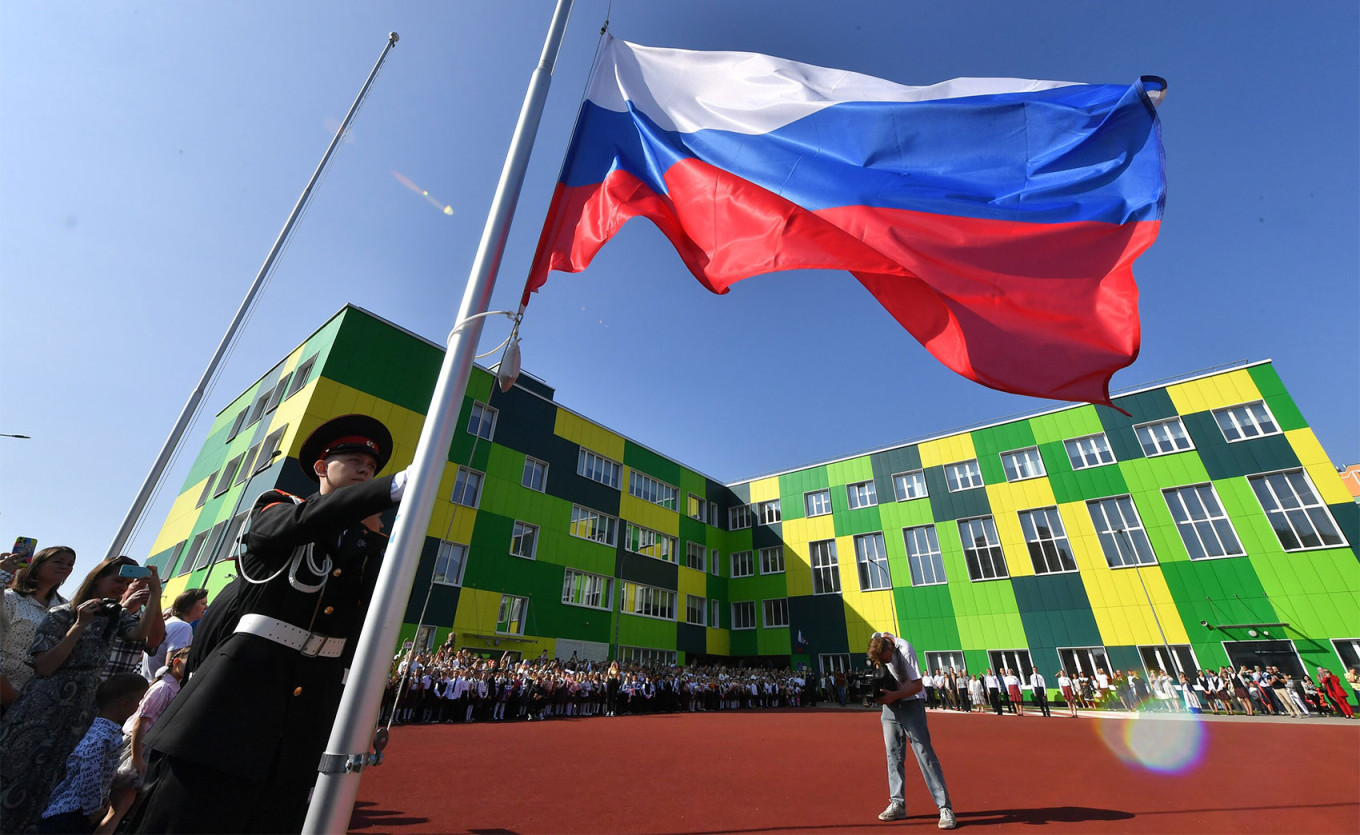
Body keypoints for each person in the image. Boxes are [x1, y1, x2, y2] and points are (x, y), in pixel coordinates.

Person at [133, 414, 406, 834]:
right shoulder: (278, 506)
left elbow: (370, 615)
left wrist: (373, 540)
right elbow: (291, 528)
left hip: (308, 708)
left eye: (371, 469)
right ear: (321, 468)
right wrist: (385, 491)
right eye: (353, 460)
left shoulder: (364, 542)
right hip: (236, 701)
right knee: (190, 815)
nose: (365, 470)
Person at [0, 556, 161, 834]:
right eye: (116, 580)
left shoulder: (114, 616)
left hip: (81, 707)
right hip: (45, 702)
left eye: (125, 582)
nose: (121, 587)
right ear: (97, 578)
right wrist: (79, 625)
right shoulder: (60, 613)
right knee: (19, 770)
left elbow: (140, 634)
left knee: (54, 777)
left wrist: (156, 594)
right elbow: (46, 666)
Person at [36, 673, 148, 835]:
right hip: (71, 813)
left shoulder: (104, 731)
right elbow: (89, 771)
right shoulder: (103, 736)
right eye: (138, 702)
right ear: (125, 704)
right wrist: (93, 810)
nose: (138, 707)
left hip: (75, 810)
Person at [866, 633, 955, 830]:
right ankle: (898, 804)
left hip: (911, 703)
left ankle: (945, 808)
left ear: (890, 649)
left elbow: (917, 685)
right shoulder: (877, 641)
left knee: (925, 754)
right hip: (890, 708)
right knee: (893, 755)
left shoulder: (905, 649)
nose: (883, 662)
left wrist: (894, 695)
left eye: (885, 659)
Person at [1, 546, 76, 704]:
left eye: (70, 564)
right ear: (37, 564)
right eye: (58, 561)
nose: (65, 567)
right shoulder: (11, 599)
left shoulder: (64, 608)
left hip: (30, 697)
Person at [140, 590, 205, 682]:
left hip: (148, 681)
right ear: (188, 606)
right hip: (161, 686)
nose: (206, 607)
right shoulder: (183, 627)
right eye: (203, 603)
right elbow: (173, 667)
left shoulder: (170, 622)